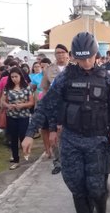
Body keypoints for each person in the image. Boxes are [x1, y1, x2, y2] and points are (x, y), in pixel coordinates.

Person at [22, 32, 110, 213]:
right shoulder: (65, 78)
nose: (86, 63)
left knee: (96, 189)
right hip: (72, 141)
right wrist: (30, 134)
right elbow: (46, 105)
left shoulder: (106, 79)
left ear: (96, 54)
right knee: (77, 187)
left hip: (97, 141)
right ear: (74, 57)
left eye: (89, 58)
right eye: (81, 59)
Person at [40, 44, 69, 174]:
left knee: (70, 135)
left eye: (63, 52)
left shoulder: (74, 68)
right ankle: (58, 162)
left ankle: (70, 161)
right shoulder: (49, 70)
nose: (60, 55)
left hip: (71, 106)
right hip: (55, 107)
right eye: (57, 53)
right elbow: (45, 89)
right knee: (55, 135)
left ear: (67, 54)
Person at [1, 67, 34, 170]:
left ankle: (26, 153)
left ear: (20, 76)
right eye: (12, 77)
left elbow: (31, 102)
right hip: (11, 116)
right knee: (13, 138)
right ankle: (16, 159)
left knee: (23, 136)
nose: (14, 79)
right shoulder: (7, 88)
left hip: (24, 116)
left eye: (16, 76)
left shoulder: (27, 87)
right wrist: (8, 105)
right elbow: (2, 101)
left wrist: (23, 105)